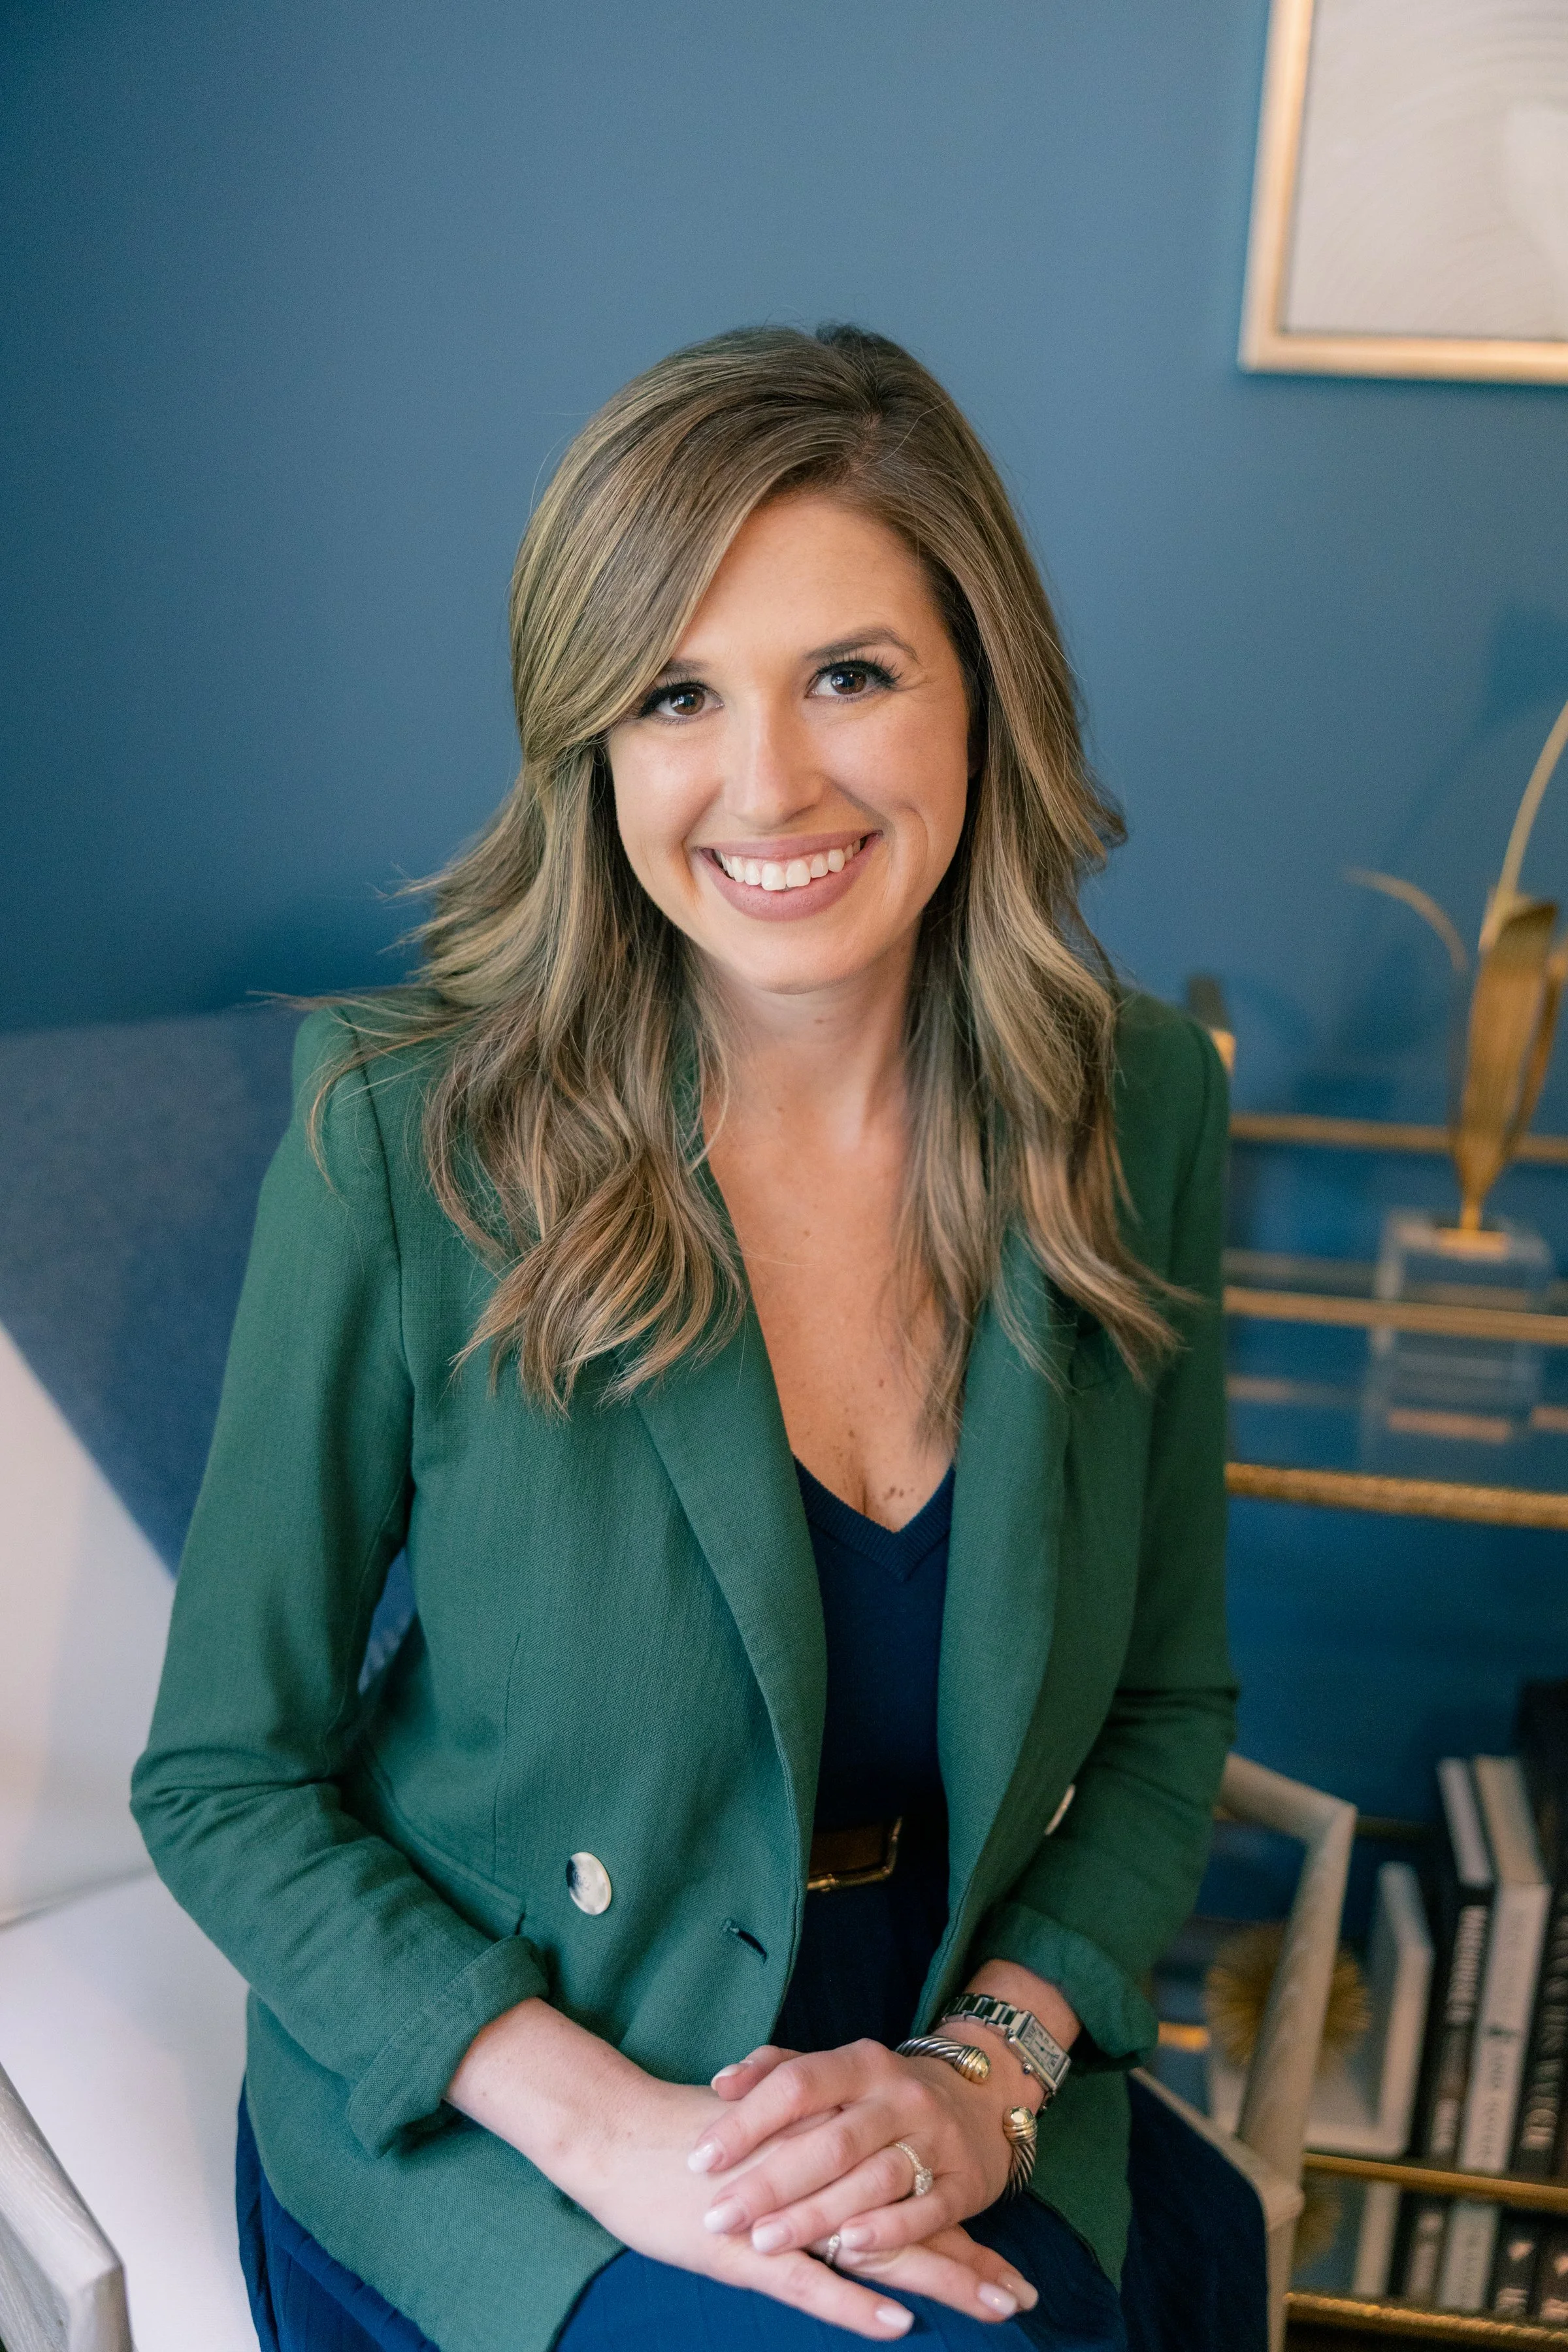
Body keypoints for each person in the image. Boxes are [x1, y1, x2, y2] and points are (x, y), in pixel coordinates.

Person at [131, 323, 1238, 2352]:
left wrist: (990, 2077)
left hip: (929, 2051)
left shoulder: (1134, 1110)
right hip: (520, 2094)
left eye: (851, 674)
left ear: (984, 691)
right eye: (675, 694)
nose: (770, 785)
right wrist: (612, 2132)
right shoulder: (406, 1146)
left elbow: (1164, 1716)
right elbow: (224, 1780)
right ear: (591, 748)